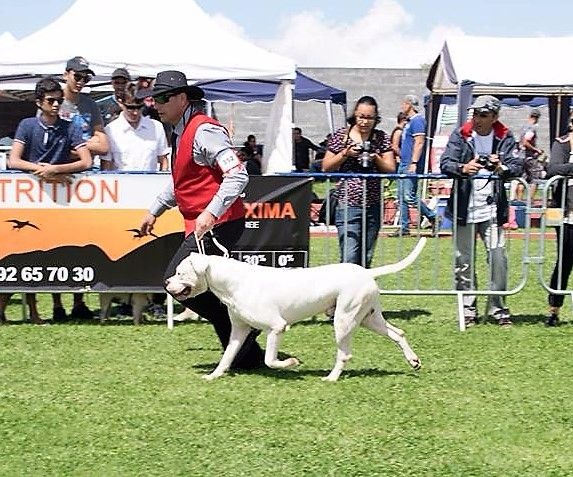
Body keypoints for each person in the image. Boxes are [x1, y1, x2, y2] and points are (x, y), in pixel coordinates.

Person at [137, 70, 264, 369]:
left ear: (183, 98)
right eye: (155, 98)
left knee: (176, 282)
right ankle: (247, 355)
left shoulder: (205, 130)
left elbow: (238, 175)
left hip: (219, 224)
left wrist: (210, 212)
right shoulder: (179, 132)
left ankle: (247, 321)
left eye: (163, 98)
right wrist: (154, 210)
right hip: (202, 225)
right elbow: (180, 181)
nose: (156, 104)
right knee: (205, 290)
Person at [2, 77, 92, 324]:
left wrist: (59, 170)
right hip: (30, 199)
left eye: (59, 100)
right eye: (51, 100)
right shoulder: (27, 125)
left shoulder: (70, 125)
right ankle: (30, 311)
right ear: (39, 101)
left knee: (61, 252)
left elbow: (86, 161)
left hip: (60, 201)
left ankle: (69, 305)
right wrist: (42, 171)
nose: (56, 104)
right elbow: (14, 160)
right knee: (24, 255)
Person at [440, 95, 522, 327]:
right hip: (464, 206)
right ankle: (467, 308)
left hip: (493, 208)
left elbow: (516, 166)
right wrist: (463, 167)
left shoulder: (505, 136)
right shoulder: (461, 134)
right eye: (475, 114)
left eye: (483, 115)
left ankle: (498, 308)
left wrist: (500, 167)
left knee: (498, 258)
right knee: (462, 261)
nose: (477, 119)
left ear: (494, 117)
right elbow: (446, 163)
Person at [53, 56, 109, 321]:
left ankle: (78, 300)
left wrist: (77, 144)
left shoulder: (90, 104)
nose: (82, 82)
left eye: (87, 78)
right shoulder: (53, 98)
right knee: (54, 241)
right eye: (78, 76)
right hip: (57, 177)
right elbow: (49, 138)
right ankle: (56, 303)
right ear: (66, 74)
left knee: (80, 241)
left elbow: (104, 145)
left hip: (85, 179)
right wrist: (83, 144)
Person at [321, 95, 395, 267]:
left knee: (366, 257)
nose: (364, 122)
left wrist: (375, 156)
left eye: (369, 118)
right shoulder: (342, 136)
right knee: (349, 256)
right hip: (348, 204)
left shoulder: (381, 138)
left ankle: (361, 294)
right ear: (355, 115)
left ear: (376, 118)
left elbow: (391, 169)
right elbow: (326, 167)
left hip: (373, 205)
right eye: (361, 117)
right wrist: (345, 154)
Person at [392, 95, 440, 237]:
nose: (402, 106)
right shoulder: (409, 122)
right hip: (404, 162)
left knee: (409, 196)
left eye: (404, 103)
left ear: (410, 105)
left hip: (410, 163)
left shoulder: (418, 121)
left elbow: (419, 143)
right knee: (401, 196)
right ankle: (404, 226)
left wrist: (414, 162)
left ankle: (432, 216)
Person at [544, 110, 573, 327]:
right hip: (567, 212)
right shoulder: (562, 143)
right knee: (565, 261)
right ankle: (554, 309)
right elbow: (552, 169)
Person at [101, 84, 169, 172]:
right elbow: (106, 166)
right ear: (121, 103)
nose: (135, 112)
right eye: (130, 107)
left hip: (150, 183)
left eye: (139, 107)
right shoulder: (110, 130)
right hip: (121, 183)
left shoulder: (156, 127)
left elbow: (163, 160)